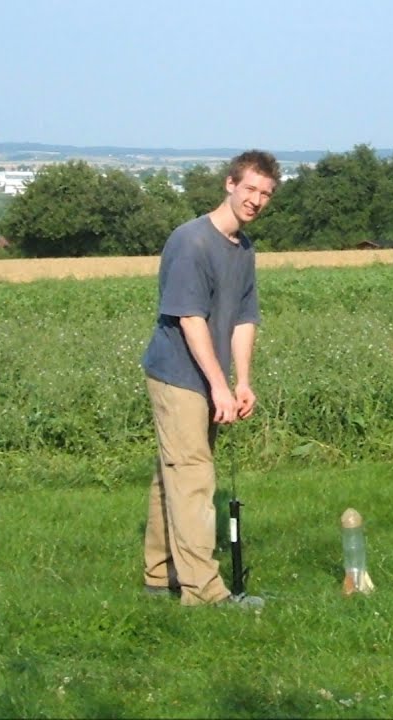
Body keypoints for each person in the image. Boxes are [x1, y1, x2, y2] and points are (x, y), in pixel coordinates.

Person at [140, 150, 281, 608]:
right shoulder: (192, 242)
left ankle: (160, 575)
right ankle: (204, 592)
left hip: (210, 377)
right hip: (179, 376)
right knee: (194, 477)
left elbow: (243, 318)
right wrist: (218, 385)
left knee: (175, 474)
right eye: (250, 189)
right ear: (229, 184)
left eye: (266, 194)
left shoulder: (243, 249)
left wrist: (242, 382)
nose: (256, 201)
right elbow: (190, 320)